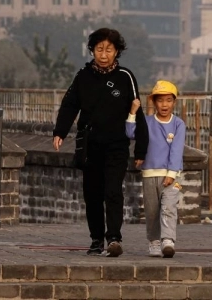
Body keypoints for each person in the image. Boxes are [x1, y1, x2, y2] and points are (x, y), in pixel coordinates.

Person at [52, 28, 148, 257]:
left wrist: (141, 148)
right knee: (92, 194)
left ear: (117, 52)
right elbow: (69, 105)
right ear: (92, 50)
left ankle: (114, 238)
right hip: (90, 145)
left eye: (109, 50)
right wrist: (60, 131)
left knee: (113, 191)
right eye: (99, 49)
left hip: (117, 145)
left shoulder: (125, 77)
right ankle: (96, 239)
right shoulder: (83, 77)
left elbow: (137, 111)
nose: (104, 55)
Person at [126, 80, 186, 258]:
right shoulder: (146, 122)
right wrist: (132, 113)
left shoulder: (178, 125)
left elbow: (176, 150)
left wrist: (171, 173)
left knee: (168, 208)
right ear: (153, 102)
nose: (164, 104)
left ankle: (168, 240)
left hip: (171, 175)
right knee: (152, 211)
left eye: (168, 100)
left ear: (174, 102)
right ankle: (153, 241)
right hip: (149, 173)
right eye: (160, 100)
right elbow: (130, 133)